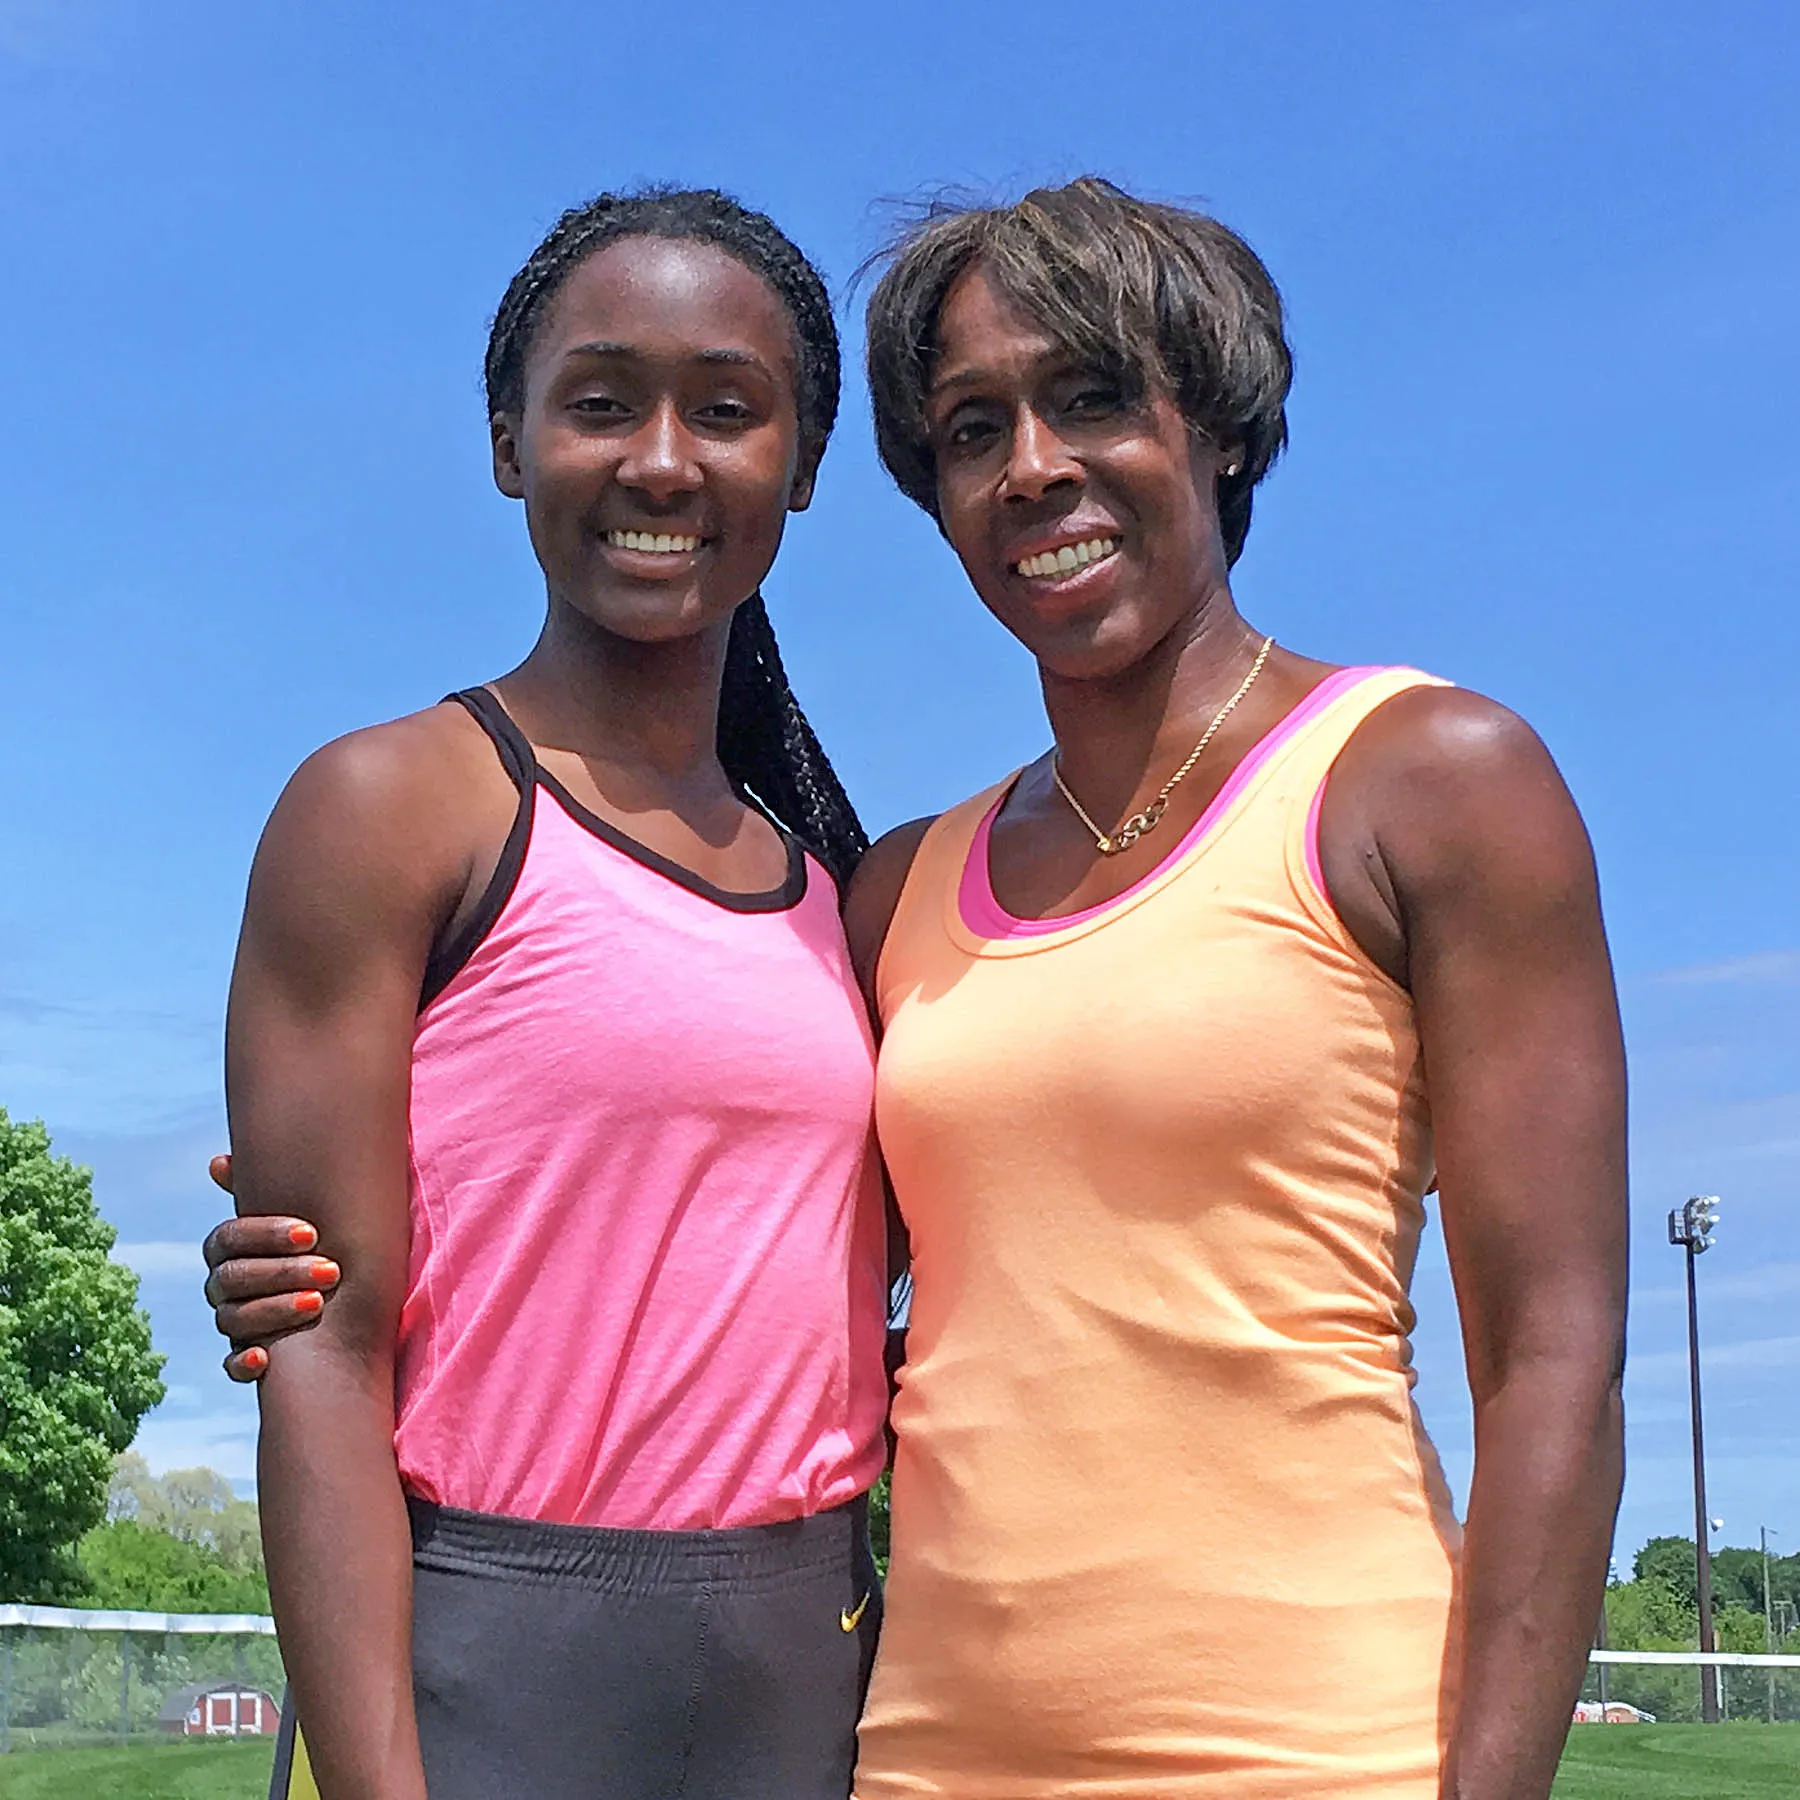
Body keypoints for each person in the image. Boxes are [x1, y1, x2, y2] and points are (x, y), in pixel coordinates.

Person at [209, 178, 1628, 1799]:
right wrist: (306, 1248)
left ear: (1225, 427)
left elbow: (1554, 1358)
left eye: (1094, 396)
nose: (1034, 468)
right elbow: (674, 1189)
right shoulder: (891, 892)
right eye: (970, 430)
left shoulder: (1434, 782)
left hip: (1320, 1731)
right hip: (916, 1749)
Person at [215, 187, 890, 1800]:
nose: (662, 461)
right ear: (512, 445)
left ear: (800, 469)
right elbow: (321, 1340)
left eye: (728, 412)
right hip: (478, 1659)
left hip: (811, 1671)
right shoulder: (394, 807)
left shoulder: (846, 902)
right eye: (599, 403)